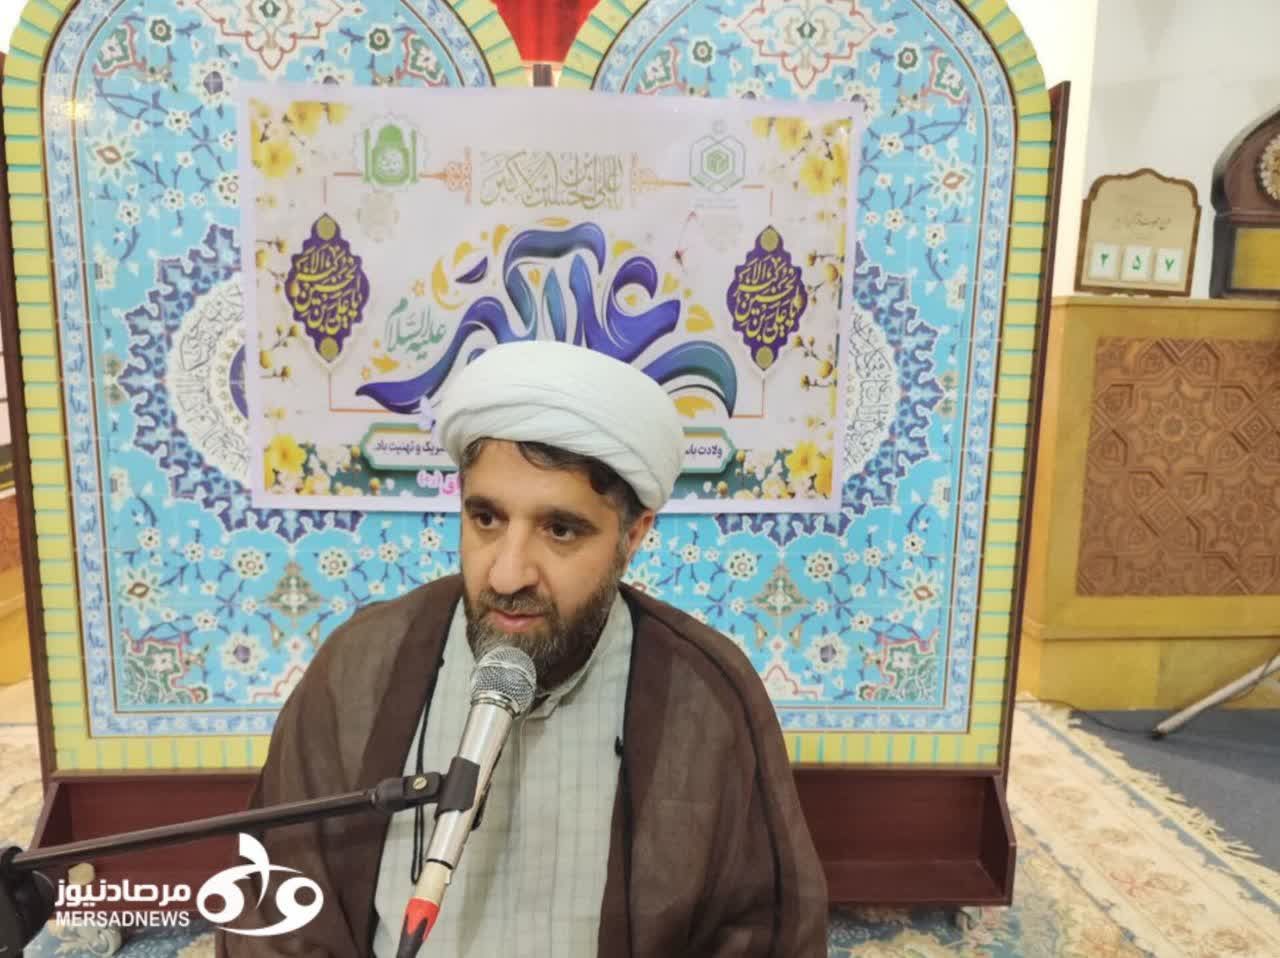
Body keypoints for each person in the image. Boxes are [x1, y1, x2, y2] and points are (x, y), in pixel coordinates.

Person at [217, 341, 828, 957]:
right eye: (486, 519)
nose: (508, 575)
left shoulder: (707, 694)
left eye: (559, 530)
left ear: (633, 535)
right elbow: (275, 912)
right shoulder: (359, 670)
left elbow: (764, 935)